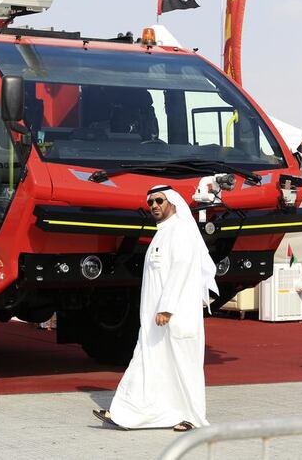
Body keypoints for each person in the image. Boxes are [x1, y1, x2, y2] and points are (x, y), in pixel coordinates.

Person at [93, 185, 219, 432]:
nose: (154, 206)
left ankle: (193, 418)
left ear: (172, 202)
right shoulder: (163, 232)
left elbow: (181, 269)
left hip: (176, 317)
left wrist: (167, 308)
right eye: (150, 202)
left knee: (184, 368)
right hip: (155, 321)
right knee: (147, 363)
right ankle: (126, 414)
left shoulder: (181, 231)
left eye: (159, 200)